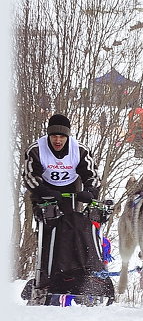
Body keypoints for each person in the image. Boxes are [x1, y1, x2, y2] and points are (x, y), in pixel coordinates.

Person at [22, 114, 109, 301]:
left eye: (62, 137)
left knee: (73, 227)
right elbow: (29, 176)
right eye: (54, 136)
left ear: (68, 136)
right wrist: (43, 190)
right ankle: (44, 279)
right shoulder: (36, 150)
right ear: (48, 136)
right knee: (48, 231)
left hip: (70, 192)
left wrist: (91, 191)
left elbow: (92, 174)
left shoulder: (79, 150)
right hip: (43, 193)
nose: (58, 140)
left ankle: (74, 274)